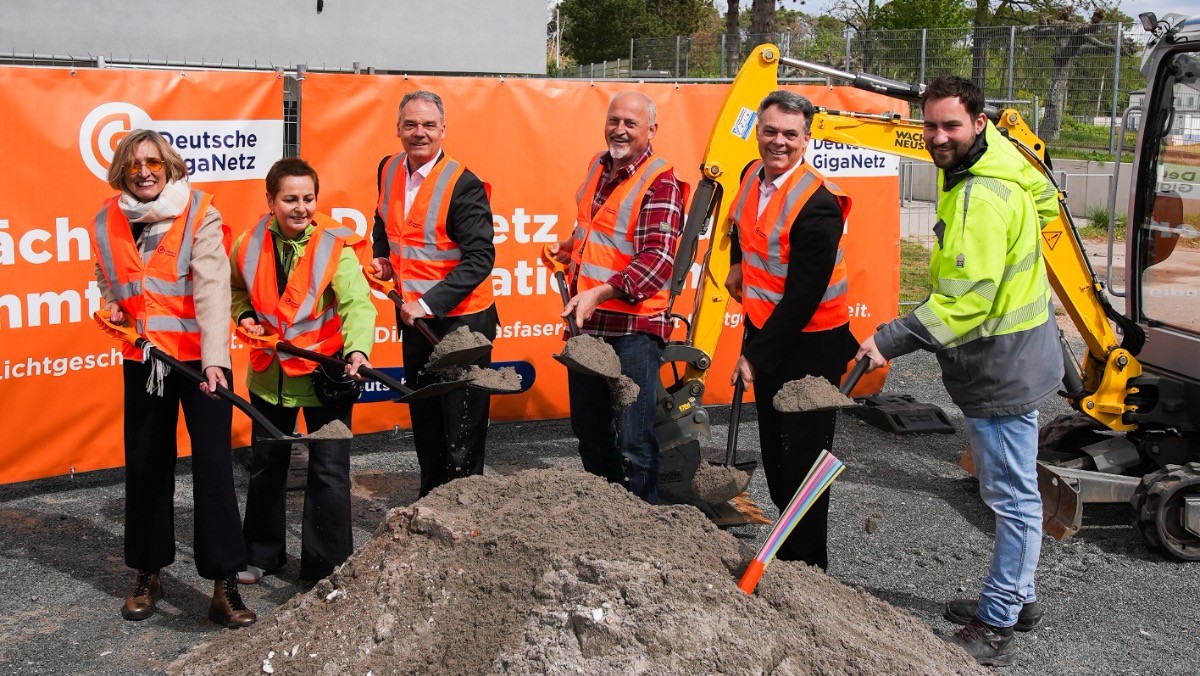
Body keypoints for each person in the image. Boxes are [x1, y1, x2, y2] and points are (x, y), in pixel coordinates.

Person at [855, 75, 1063, 667]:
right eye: (931, 125)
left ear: (979, 121)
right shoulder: (1002, 166)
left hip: (1000, 366)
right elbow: (1044, 202)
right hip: (1016, 355)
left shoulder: (979, 194)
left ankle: (997, 620)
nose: (938, 137)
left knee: (1011, 496)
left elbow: (965, 300)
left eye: (951, 125)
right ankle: (1016, 595)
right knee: (1012, 489)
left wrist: (888, 340)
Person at [87, 129, 255, 628]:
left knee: (213, 470)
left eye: (153, 161)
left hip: (198, 364)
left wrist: (214, 361)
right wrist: (112, 301)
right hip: (144, 363)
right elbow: (108, 272)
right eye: (135, 162)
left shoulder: (199, 211)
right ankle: (147, 571)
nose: (144, 170)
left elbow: (212, 290)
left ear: (169, 166)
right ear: (122, 169)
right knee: (144, 465)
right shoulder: (106, 218)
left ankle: (224, 585)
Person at [723, 90, 858, 571]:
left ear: (807, 138)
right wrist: (738, 263)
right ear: (757, 130)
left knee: (803, 465)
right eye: (770, 131)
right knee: (776, 459)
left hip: (812, 346)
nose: (777, 142)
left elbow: (803, 297)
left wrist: (756, 357)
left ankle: (809, 569)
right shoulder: (749, 175)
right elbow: (741, 225)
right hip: (767, 332)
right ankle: (788, 554)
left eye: (789, 134)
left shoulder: (818, 204)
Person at [231, 158, 376, 584]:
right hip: (268, 376)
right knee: (267, 466)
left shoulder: (335, 245)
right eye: (290, 198)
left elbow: (356, 304)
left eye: (308, 198)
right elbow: (237, 291)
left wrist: (359, 351)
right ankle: (261, 554)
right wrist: (243, 317)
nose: (301, 207)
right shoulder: (246, 242)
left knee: (329, 471)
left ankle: (326, 568)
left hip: (324, 379)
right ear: (270, 201)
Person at [548, 91, 686, 504]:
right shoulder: (598, 165)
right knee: (589, 432)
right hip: (589, 325)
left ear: (651, 131)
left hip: (634, 330)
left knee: (633, 440)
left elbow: (657, 262)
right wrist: (570, 248)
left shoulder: (661, 182)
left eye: (631, 123)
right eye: (614, 121)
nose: (620, 130)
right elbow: (595, 231)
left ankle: (642, 524)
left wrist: (599, 293)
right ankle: (608, 515)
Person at [369, 90, 498, 498]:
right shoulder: (388, 169)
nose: (418, 133)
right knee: (425, 417)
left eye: (428, 125)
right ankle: (430, 503)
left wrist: (426, 303)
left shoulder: (464, 184)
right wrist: (382, 256)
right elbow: (382, 219)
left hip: (462, 324)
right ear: (398, 129)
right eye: (410, 125)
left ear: (443, 130)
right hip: (414, 319)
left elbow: (481, 258)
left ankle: (464, 511)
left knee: (461, 425)